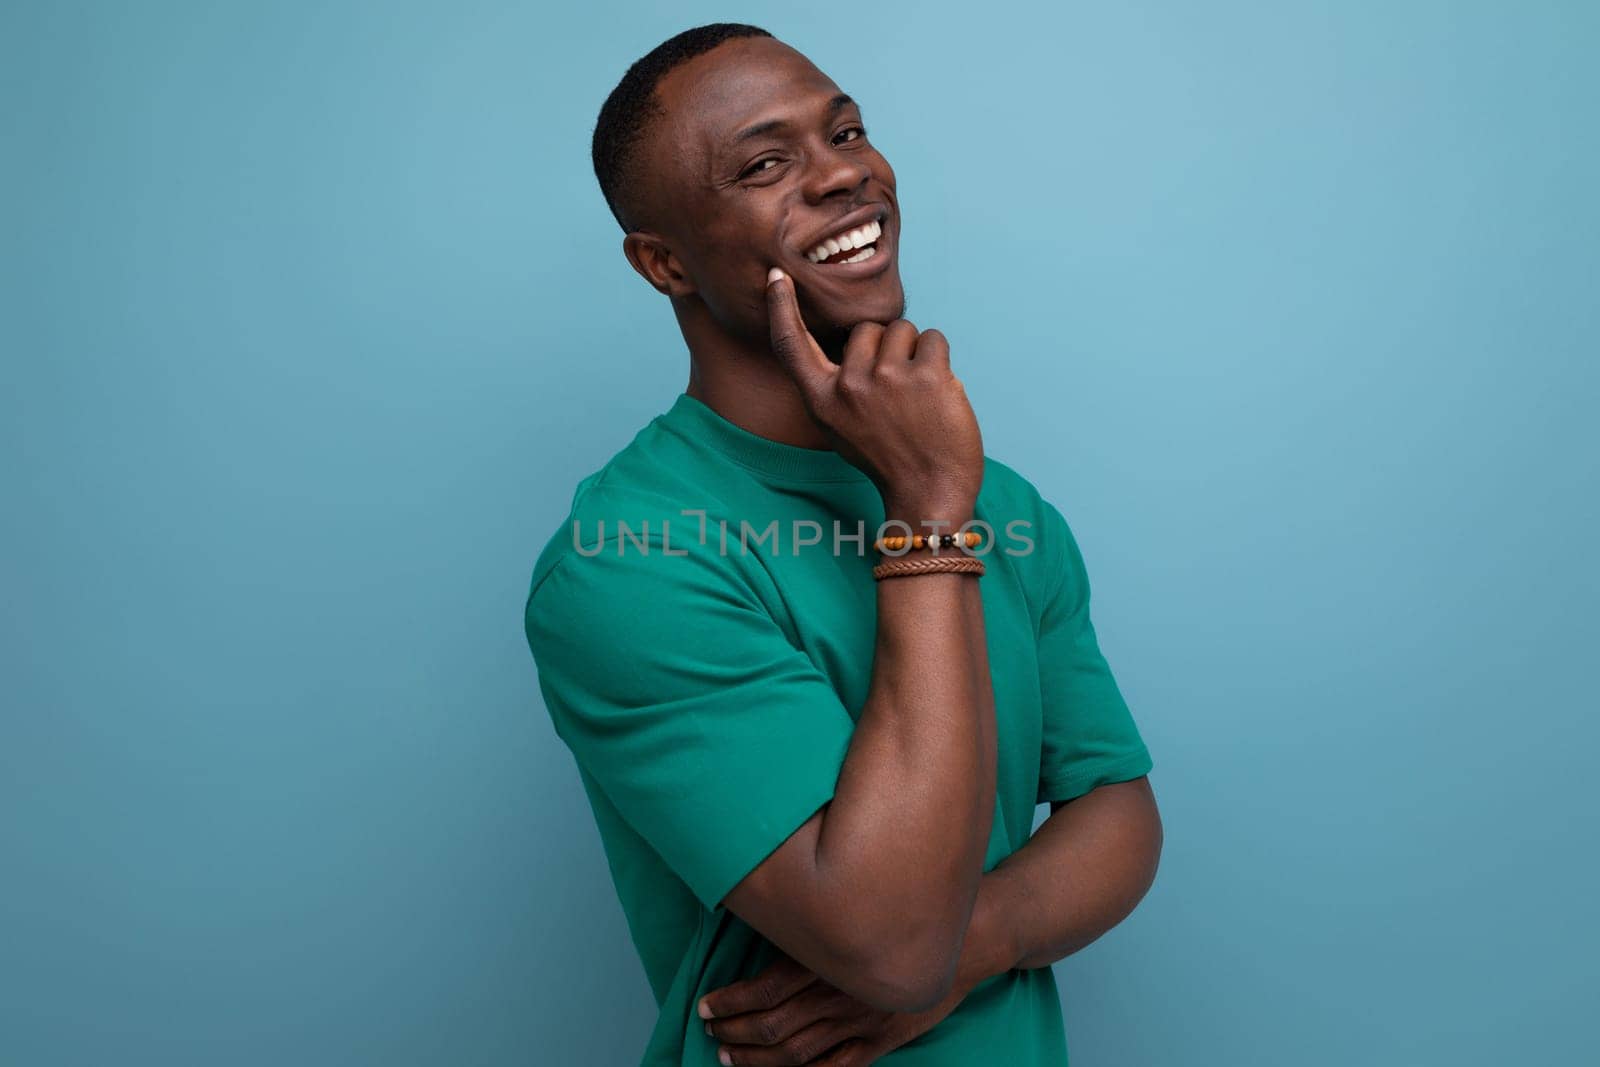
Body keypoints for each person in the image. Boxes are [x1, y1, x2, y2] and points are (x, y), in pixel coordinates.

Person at [524, 23, 1162, 1066]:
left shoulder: (990, 499)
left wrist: (974, 945)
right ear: (662, 261)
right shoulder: (625, 561)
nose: (844, 176)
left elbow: (1117, 812)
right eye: (766, 164)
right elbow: (889, 941)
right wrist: (923, 523)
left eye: (846, 131)